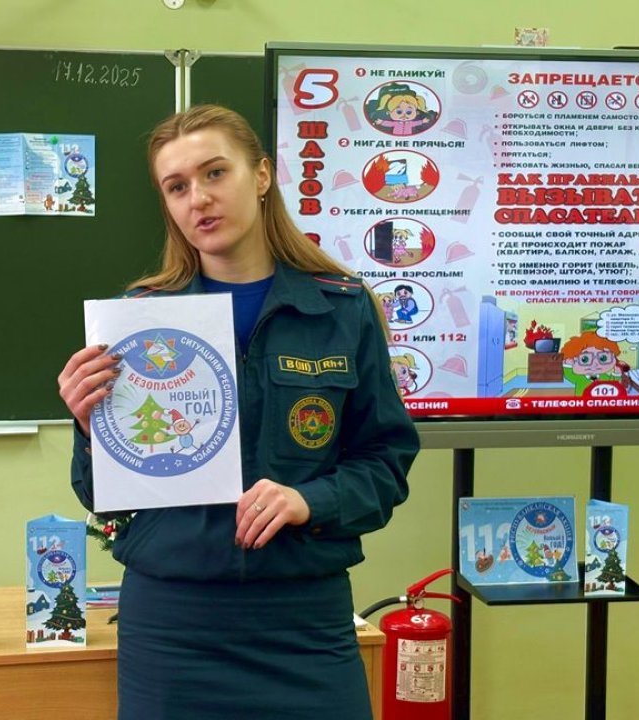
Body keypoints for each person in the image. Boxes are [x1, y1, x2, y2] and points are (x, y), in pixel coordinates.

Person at [58, 104, 420, 720]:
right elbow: (101, 498)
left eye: (215, 173)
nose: (198, 198)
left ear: (261, 175)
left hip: (304, 620)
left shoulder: (340, 308)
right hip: (173, 623)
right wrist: (92, 428)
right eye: (177, 187)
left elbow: (385, 464)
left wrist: (310, 500)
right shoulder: (138, 322)